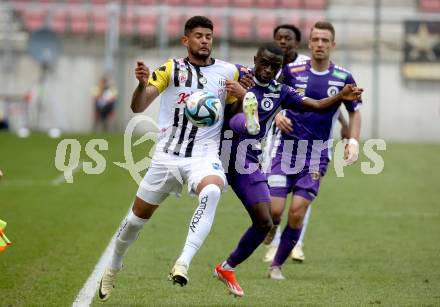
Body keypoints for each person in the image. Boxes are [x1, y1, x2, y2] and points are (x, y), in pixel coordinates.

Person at [98, 16, 240, 301]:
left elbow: (237, 117)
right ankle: (114, 265)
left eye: (208, 36)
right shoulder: (171, 69)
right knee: (136, 220)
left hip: (203, 155)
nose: (204, 41)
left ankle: (183, 262)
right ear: (185, 40)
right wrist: (140, 84)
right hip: (167, 156)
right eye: (198, 36)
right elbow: (139, 106)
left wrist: (243, 95)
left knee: (212, 190)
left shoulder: (229, 72)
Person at [213, 42, 362, 297]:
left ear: (280, 68)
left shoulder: (281, 91)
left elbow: (315, 105)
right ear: (255, 59)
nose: (268, 69)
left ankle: (227, 267)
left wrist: (339, 97)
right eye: (264, 63)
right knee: (239, 124)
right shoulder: (238, 74)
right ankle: (182, 260)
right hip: (214, 153)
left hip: (246, 159)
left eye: (275, 66)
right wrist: (235, 94)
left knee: (266, 221)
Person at [265, 21, 362, 280]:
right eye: (316, 39)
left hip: (317, 154)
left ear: (333, 44)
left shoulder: (344, 77)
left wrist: (352, 142)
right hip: (284, 149)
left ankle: (276, 264)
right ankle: (271, 226)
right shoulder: (291, 70)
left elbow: (355, 112)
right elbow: (270, 99)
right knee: (275, 211)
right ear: (309, 43)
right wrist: (276, 116)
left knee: (297, 212)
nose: (320, 44)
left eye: (325, 40)